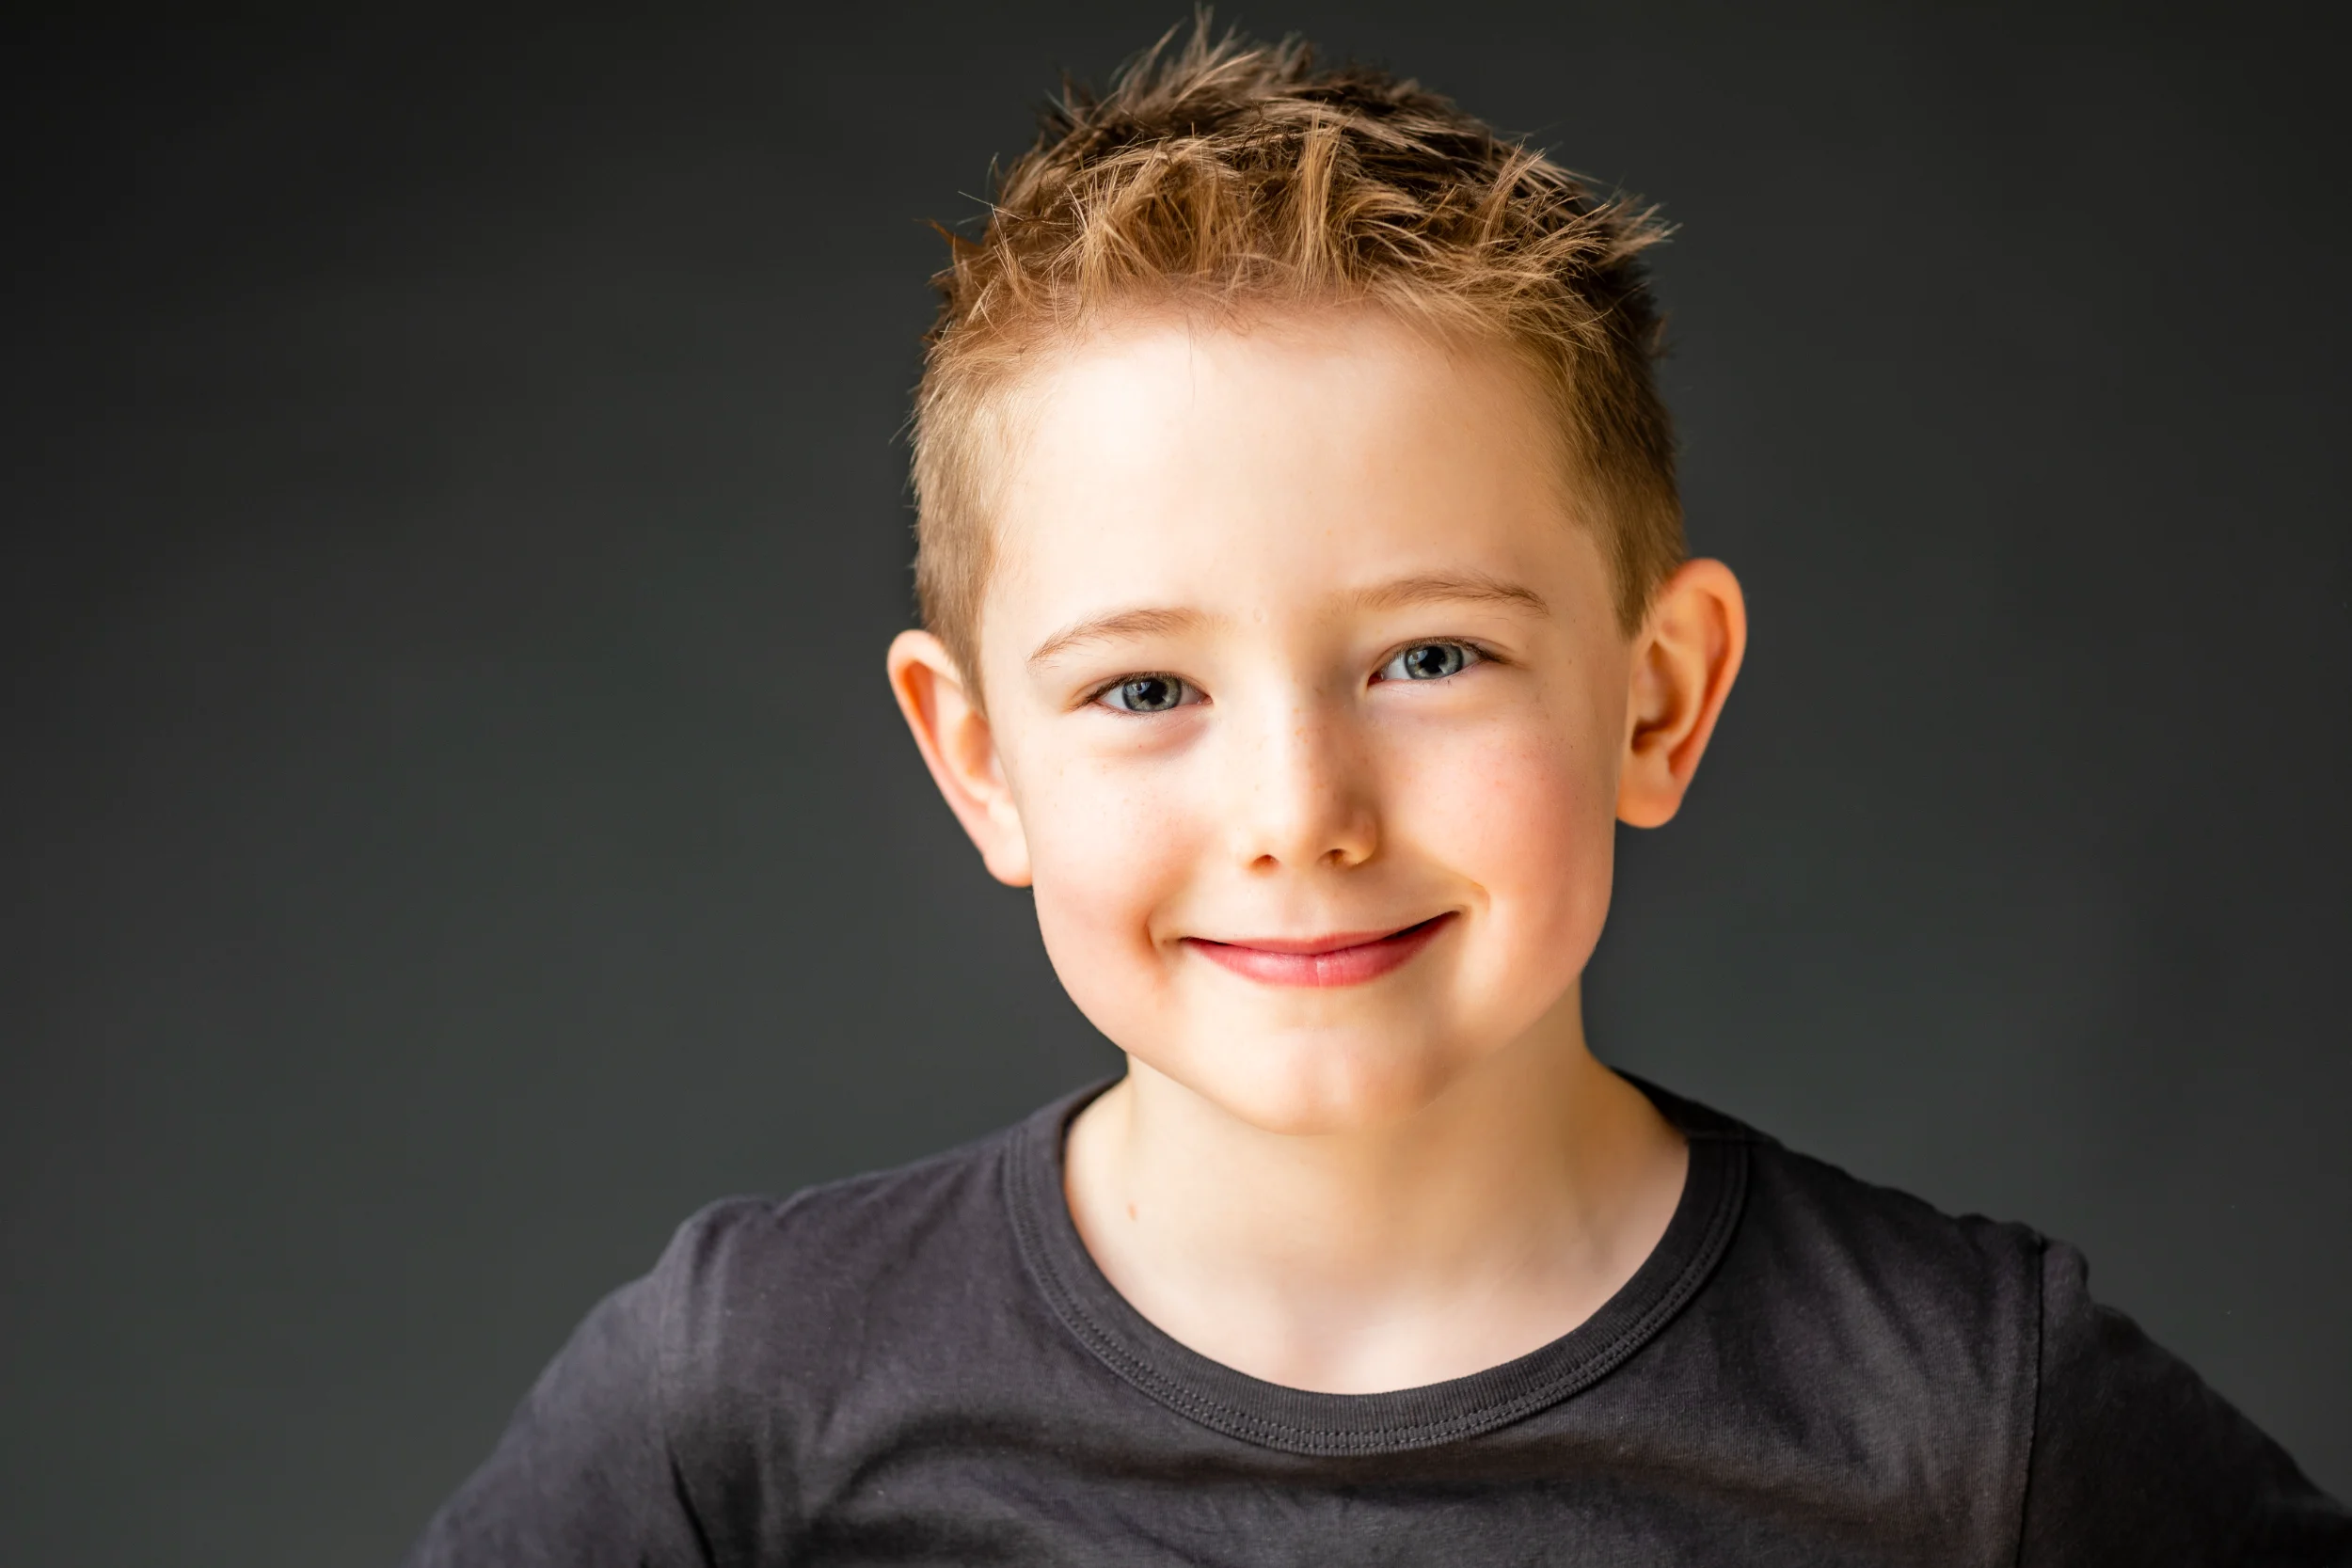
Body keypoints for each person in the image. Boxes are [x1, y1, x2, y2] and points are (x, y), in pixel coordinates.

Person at [403, 24, 2350, 1565]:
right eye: (1145, 684)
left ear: (1655, 698)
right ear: (976, 760)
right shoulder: (745, 1388)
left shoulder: (1960, 1408)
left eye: (1428, 657)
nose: (1297, 810)